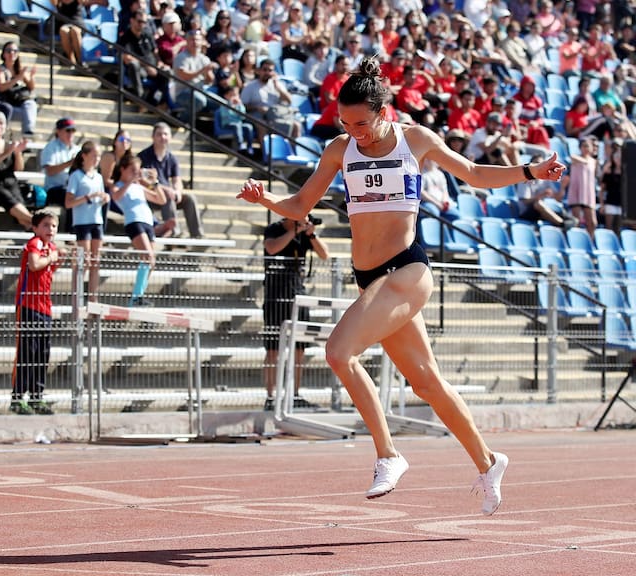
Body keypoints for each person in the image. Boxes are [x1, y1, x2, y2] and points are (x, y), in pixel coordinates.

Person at [237, 56, 566, 515]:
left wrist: (530, 171)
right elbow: (299, 206)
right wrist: (265, 198)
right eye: (346, 123)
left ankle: (388, 454)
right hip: (370, 279)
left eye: (362, 123)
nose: (355, 132)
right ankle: (489, 462)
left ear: (383, 111)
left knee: (339, 352)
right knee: (426, 381)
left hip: (407, 269)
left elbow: (474, 174)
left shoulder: (415, 139)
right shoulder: (339, 150)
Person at [261, 215, 329, 411]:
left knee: (299, 348)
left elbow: (325, 255)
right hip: (275, 295)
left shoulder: (305, 234)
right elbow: (271, 248)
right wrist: (294, 232)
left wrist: (312, 235)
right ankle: (271, 396)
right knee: (273, 349)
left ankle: (295, 394)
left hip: (298, 294)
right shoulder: (274, 229)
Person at [11, 210, 62, 415]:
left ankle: (36, 396)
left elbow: (47, 270)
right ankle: (17, 398)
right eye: (46, 225)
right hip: (28, 305)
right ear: (35, 228)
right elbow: (34, 265)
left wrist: (57, 259)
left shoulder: (51, 248)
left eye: (54, 226)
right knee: (27, 353)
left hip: (44, 307)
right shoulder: (35, 243)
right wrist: (50, 258)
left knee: (42, 354)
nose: (51, 229)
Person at [110, 152, 170, 306]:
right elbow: (115, 197)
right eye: (132, 170)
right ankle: (136, 297)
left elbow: (161, 200)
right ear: (123, 169)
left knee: (151, 262)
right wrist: (130, 181)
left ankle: (139, 295)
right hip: (134, 222)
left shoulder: (138, 187)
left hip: (147, 223)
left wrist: (154, 182)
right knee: (147, 257)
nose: (135, 173)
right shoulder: (119, 186)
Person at [138, 122, 204, 238]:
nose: (162, 137)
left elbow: (176, 179)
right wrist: (166, 190)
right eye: (159, 134)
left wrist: (177, 191)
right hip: (151, 194)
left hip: (168, 194)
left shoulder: (172, 158)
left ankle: (197, 235)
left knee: (190, 198)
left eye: (165, 134)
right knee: (168, 196)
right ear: (153, 137)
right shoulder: (144, 156)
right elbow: (142, 181)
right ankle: (174, 232)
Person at [66, 141, 109, 302]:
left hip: (96, 220)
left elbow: (101, 196)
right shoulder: (76, 176)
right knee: (84, 261)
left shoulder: (98, 177)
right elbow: (68, 202)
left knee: (95, 262)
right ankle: (76, 298)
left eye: (98, 156)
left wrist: (104, 198)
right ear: (84, 156)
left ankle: (93, 299)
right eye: (94, 155)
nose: (97, 159)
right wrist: (87, 197)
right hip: (82, 222)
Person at [0, 41, 38, 137]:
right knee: (12, 110)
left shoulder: (19, 69)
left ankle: (28, 133)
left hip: (17, 104)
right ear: (4, 54)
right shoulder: (0, 69)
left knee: (30, 105)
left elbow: (31, 87)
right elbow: (1, 87)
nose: (12, 53)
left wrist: (31, 77)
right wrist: (17, 78)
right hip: (4, 105)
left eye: (15, 51)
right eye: (9, 51)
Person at [41, 117, 81, 230]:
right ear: (58, 131)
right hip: (55, 188)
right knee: (71, 197)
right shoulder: (51, 147)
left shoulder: (77, 149)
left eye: (73, 131)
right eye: (68, 130)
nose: (71, 134)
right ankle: (70, 232)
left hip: (72, 187)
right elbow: (50, 171)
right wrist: (69, 163)